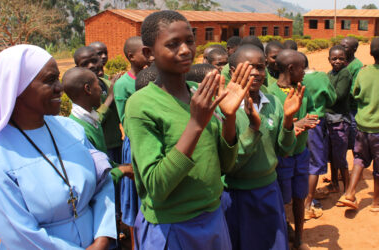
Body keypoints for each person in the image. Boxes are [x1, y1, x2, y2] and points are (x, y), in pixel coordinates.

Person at [124, 10, 253, 249]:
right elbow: (157, 185)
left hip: (212, 217)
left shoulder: (198, 92)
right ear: (149, 53)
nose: (185, 50)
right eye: (172, 44)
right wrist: (195, 124)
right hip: (173, 226)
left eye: (189, 41)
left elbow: (223, 166)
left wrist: (229, 118)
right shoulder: (141, 105)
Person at [0, 44, 117, 249]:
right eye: (50, 80)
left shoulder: (71, 129)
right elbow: (18, 233)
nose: (60, 87)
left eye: (58, 78)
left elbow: (102, 180)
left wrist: (103, 237)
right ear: (18, 87)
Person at [221, 45, 302, 250]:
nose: (256, 73)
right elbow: (229, 164)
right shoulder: (223, 110)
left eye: (261, 67)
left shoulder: (273, 102)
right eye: (250, 67)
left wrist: (288, 121)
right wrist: (253, 129)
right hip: (237, 194)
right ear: (233, 72)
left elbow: (285, 149)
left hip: (268, 189)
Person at [267, 49, 318, 250]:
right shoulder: (271, 94)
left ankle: (299, 238)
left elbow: (313, 110)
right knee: (282, 200)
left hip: (301, 154)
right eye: (301, 68)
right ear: (290, 68)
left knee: (299, 196)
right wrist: (292, 126)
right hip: (282, 157)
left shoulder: (302, 90)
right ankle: (283, 237)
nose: (304, 72)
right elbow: (269, 126)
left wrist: (310, 119)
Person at [62, 67, 134, 184]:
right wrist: (122, 170)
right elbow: (94, 176)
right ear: (88, 89)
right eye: (98, 85)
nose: (101, 90)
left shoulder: (92, 119)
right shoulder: (79, 131)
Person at [338, 38, 379, 211]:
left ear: (370, 52)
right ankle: (376, 202)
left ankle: (350, 193)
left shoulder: (363, 72)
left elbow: (356, 94)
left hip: (363, 125)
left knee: (359, 159)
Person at [301, 54, 337, 219]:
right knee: (315, 163)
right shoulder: (321, 76)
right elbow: (332, 98)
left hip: (298, 122)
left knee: (301, 160)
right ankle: (308, 202)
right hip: (316, 122)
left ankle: (302, 197)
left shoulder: (290, 80)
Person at [74, 46, 123, 163]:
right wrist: (110, 97)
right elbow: (93, 120)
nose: (91, 65)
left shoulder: (106, 83)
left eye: (94, 61)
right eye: (85, 63)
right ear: (78, 68)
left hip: (117, 142)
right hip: (103, 148)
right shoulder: (81, 92)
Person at [325, 45, 352, 195]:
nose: (337, 61)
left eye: (341, 58)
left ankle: (348, 189)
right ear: (328, 59)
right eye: (334, 58)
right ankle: (334, 183)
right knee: (331, 155)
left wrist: (323, 94)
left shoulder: (345, 73)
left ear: (346, 60)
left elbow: (338, 95)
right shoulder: (330, 74)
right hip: (329, 119)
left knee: (340, 156)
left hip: (339, 119)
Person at [114, 36, 150, 123]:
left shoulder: (151, 76)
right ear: (131, 56)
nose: (149, 55)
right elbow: (124, 118)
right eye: (144, 53)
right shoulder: (122, 84)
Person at [340, 37, 363, 152]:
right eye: (340, 45)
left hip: (352, 110)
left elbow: (353, 90)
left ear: (354, 49)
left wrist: (337, 94)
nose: (341, 48)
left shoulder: (357, 66)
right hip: (342, 108)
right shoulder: (340, 62)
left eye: (345, 46)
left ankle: (356, 167)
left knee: (354, 142)